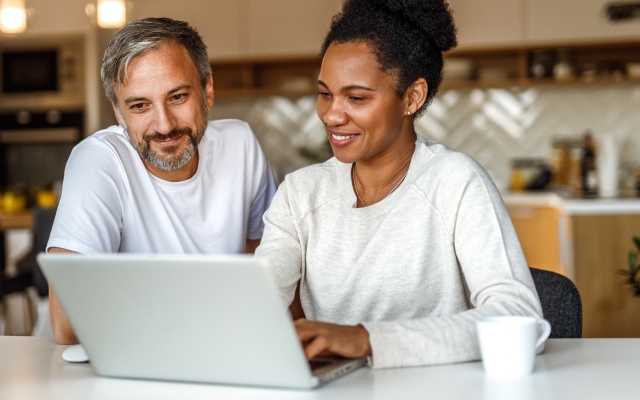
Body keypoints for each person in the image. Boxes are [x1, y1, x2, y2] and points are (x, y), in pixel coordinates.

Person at [254, 0, 544, 369]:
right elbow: (259, 305)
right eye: (325, 93)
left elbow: (518, 317)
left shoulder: (455, 182)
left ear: (412, 97)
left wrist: (366, 339)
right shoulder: (300, 194)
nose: (331, 114)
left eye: (356, 97)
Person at [47, 17, 277, 344]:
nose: (164, 125)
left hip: (222, 348)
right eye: (140, 105)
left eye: (178, 97)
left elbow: (270, 266)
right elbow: (68, 325)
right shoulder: (98, 160)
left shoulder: (240, 144)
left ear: (207, 90)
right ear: (118, 112)